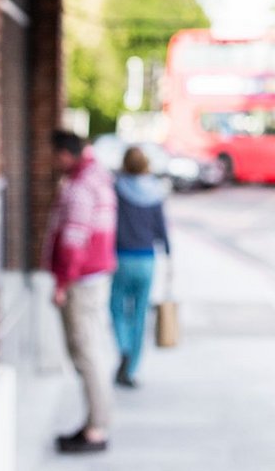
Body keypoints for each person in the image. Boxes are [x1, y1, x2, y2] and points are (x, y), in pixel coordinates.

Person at [41, 129, 117, 454]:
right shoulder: (96, 176)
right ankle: (95, 424)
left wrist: (61, 282)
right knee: (92, 351)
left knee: (86, 353)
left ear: (64, 154)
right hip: (94, 277)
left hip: (81, 281)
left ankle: (96, 429)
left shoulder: (81, 187)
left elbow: (74, 239)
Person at [111, 145, 171, 388]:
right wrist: (169, 254)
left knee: (116, 307)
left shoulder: (117, 189)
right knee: (139, 315)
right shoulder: (154, 192)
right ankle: (132, 367)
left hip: (121, 258)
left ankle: (123, 346)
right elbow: (161, 229)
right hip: (147, 259)